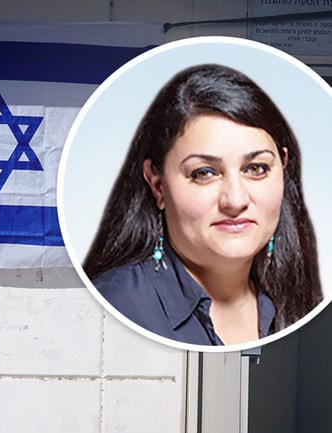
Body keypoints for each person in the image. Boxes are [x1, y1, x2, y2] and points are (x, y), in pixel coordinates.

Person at [83, 64, 322, 347]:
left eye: (256, 168)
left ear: (283, 167)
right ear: (157, 184)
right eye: (204, 173)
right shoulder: (116, 307)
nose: (235, 200)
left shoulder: (301, 301)